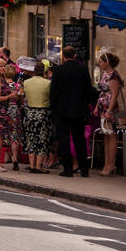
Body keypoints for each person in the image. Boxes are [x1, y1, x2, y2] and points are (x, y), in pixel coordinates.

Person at [50, 46, 96, 178]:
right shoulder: (83, 69)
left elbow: (54, 91)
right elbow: (88, 89)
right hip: (78, 110)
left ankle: (68, 168)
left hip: (62, 110)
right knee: (79, 139)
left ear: (63, 56)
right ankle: (84, 169)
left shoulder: (58, 70)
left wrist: (53, 108)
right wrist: (88, 104)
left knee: (63, 139)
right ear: (75, 55)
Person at [94, 51, 126, 177]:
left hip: (110, 110)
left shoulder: (113, 77)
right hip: (103, 108)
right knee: (106, 135)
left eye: (101, 61)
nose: (100, 63)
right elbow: (102, 92)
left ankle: (111, 164)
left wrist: (109, 111)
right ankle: (106, 163)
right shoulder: (105, 75)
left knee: (111, 135)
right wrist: (97, 107)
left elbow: (114, 95)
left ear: (107, 62)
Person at [0, 57, 24, 173]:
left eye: (4, 66)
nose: (3, 68)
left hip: (1, 109)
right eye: (1, 66)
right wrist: (10, 96)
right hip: (0, 110)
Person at [22, 62, 54, 174]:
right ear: (44, 71)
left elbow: (22, 97)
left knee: (31, 138)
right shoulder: (48, 83)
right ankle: (38, 166)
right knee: (42, 139)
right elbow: (51, 98)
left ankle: (31, 165)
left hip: (30, 112)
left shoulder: (26, 82)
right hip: (43, 112)